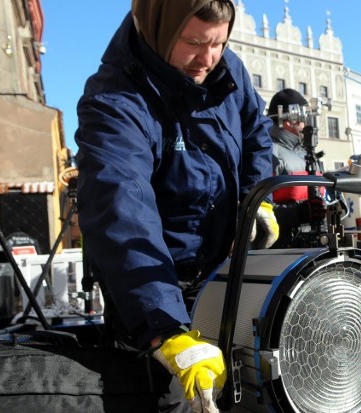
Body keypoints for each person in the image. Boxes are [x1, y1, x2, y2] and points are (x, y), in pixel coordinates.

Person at [75, 1, 278, 412]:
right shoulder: (115, 101)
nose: (207, 58)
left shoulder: (227, 68)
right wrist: (166, 330)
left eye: (219, 42)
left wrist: (257, 199)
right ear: (160, 28)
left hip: (224, 279)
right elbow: (121, 208)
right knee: (175, 400)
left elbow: (256, 132)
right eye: (194, 43)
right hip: (155, 288)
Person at [266, 88, 325, 248]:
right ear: (290, 121)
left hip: (311, 243)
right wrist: (299, 213)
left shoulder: (307, 153)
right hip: (284, 248)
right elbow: (259, 209)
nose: (307, 123)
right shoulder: (270, 153)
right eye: (303, 118)